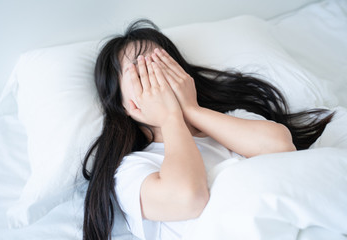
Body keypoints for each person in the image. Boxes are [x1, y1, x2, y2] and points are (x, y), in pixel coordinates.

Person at [81, 19, 334, 240]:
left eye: (161, 63)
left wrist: (190, 109)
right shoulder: (131, 171)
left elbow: (281, 148)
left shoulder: (230, 120)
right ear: (124, 103)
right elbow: (188, 198)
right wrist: (171, 118)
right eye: (141, 71)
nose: (157, 75)